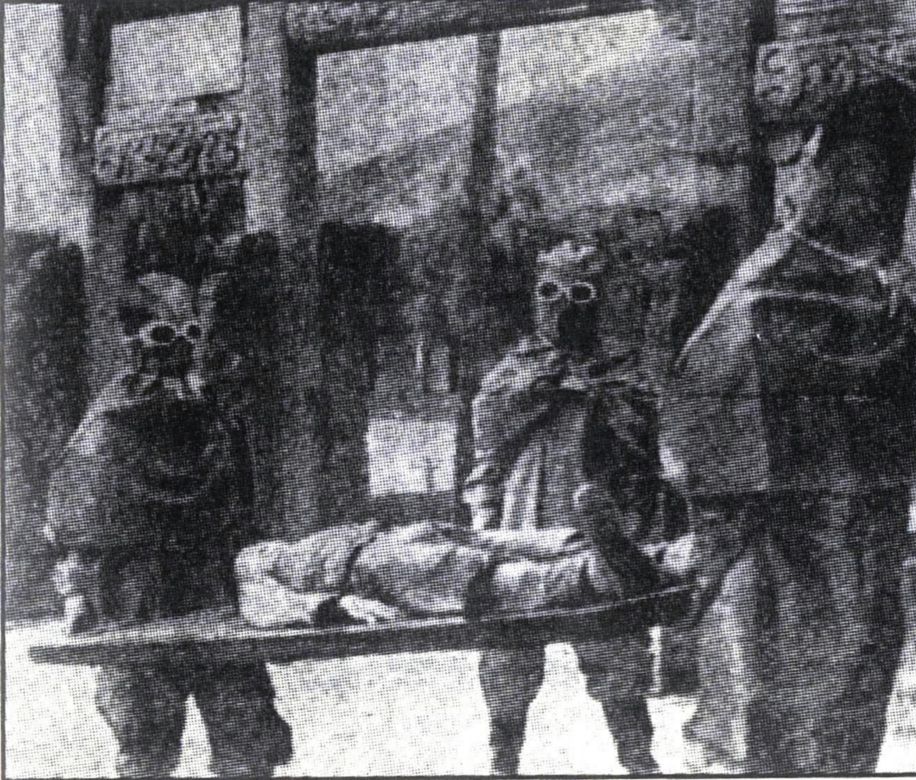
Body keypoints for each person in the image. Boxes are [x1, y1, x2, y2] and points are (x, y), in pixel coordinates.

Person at [660, 82, 916, 773]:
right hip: (856, 552)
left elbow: (691, 439)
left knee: (765, 722)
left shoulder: (760, 296)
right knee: (837, 716)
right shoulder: (897, 312)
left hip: (776, 555)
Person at [44, 272, 293, 778]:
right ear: (130, 340)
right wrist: (77, 593)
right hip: (136, 598)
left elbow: (243, 513)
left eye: (191, 332)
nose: (180, 348)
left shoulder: (215, 418)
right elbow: (72, 520)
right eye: (163, 334)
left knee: (245, 737)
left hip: (214, 592)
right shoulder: (108, 426)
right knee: (147, 744)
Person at [463, 240, 664, 774]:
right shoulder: (515, 369)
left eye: (581, 294)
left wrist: (599, 400)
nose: (564, 309)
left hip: (597, 521)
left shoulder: (622, 370)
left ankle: (638, 758)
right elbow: (488, 447)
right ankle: (503, 758)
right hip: (521, 522)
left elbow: (645, 450)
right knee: (508, 648)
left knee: (615, 640)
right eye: (551, 293)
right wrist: (483, 517)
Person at [234, 484, 690, 630]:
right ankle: (605, 573)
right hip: (371, 566)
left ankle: (650, 558)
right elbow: (261, 605)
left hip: (393, 538)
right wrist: (335, 606)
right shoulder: (247, 563)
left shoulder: (275, 548)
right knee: (485, 576)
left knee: (513, 542)